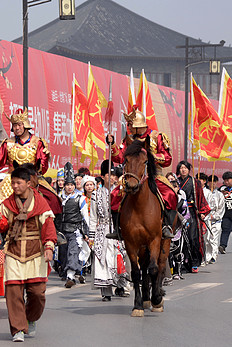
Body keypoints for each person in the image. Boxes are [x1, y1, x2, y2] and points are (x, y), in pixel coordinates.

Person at [0, 165, 57, 342]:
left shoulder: (41, 202)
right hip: (13, 252)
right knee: (13, 293)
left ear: (28, 183)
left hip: (35, 252)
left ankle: (31, 318)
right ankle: (17, 330)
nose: (15, 186)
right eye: (12, 183)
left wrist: (49, 246)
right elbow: (3, 227)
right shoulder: (7, 204)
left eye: (18, 182)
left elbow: (48, 226)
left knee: (37, 293)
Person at [106, 109, 177, 239]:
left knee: (170, 194)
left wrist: (151, 157)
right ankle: (118, 229)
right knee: (115, 194)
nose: (131, 130)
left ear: (140, 127)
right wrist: (112, 145)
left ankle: (166, 226)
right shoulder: (129, 140)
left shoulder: (157, 137)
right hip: (134, 175)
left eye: (133, 127)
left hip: (154, 175)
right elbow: (120, 158)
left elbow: (167, 158)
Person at [87, 160, 119, 301]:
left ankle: (121, 285)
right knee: (103, 259)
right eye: (109, 175)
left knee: (119, 257)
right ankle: (106, 291)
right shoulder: (96, 194)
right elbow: (93, 217)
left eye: (114, 175)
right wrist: (91, 237)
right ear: (103, 177)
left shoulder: (121, 192)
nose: (112, 178)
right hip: (103, 229)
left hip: (118, 228)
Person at [176, 161, 210, 273]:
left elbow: (201, 198)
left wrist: (202, 211)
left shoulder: (195, 182)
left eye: (185, 168)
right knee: (180, 240)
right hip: (179, 211)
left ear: (189, 169)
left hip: (191, 212)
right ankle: (183, 264)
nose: (183, 170)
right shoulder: (176, 182)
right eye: (181, 168)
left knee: (192, 238)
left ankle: (195, 262)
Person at [59, 162, 87, 288]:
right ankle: (71, 273)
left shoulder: (80, 198)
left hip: (75, 230)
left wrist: (86, 232)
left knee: (73, 252)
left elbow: (85, 216)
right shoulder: (59, 197)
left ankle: (71, 277)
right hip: (62, 230)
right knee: (64, 254)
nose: (69, 187)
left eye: (71, 185)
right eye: (67, 185)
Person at [205, 175, 225, 264]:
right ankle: (207, 256)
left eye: (214, 182)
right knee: (207, 238)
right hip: (207, 218)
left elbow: (221, 208)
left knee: (214, 238)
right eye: (210, 182)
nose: (212, 184)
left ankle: (214, 255)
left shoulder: (220, 195)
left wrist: (216, 216)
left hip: (216, 219)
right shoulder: (205, 192)